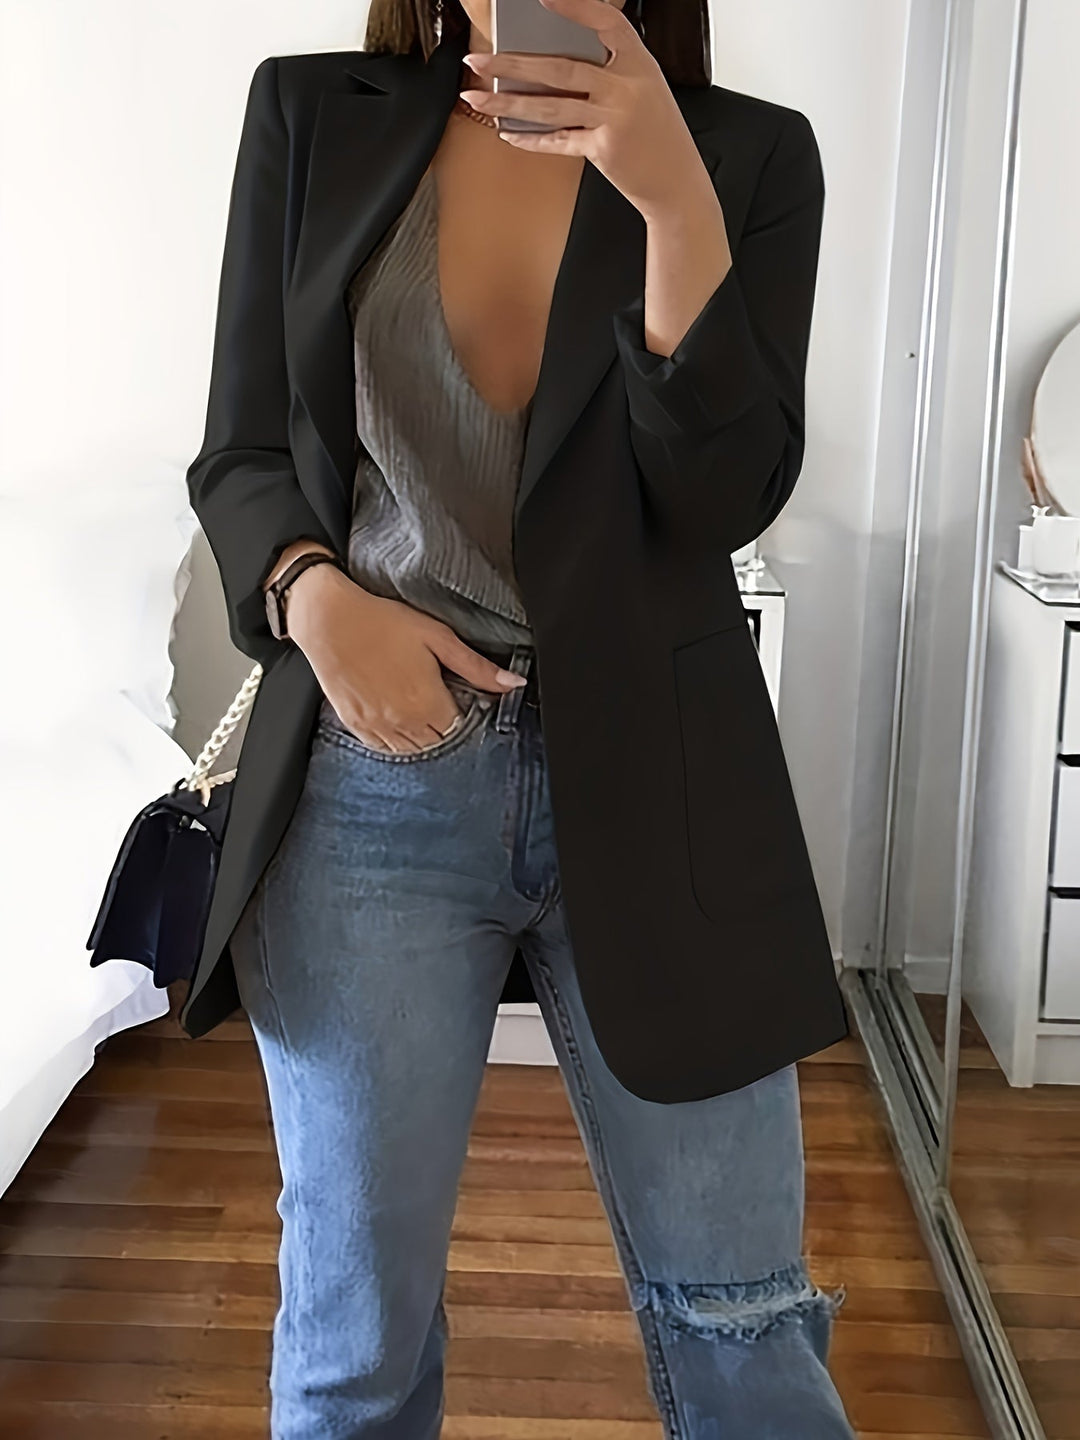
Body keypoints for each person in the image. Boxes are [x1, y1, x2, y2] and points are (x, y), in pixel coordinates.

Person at [185, 0, 856, 1433]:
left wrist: (674, 203)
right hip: (375, 779)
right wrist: (316, 597)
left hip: (661, 783)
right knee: (353, 1342)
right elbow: (241, 451)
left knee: (744, 1325)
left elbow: (721, 501)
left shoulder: (749, 157)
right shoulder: (312, 115)